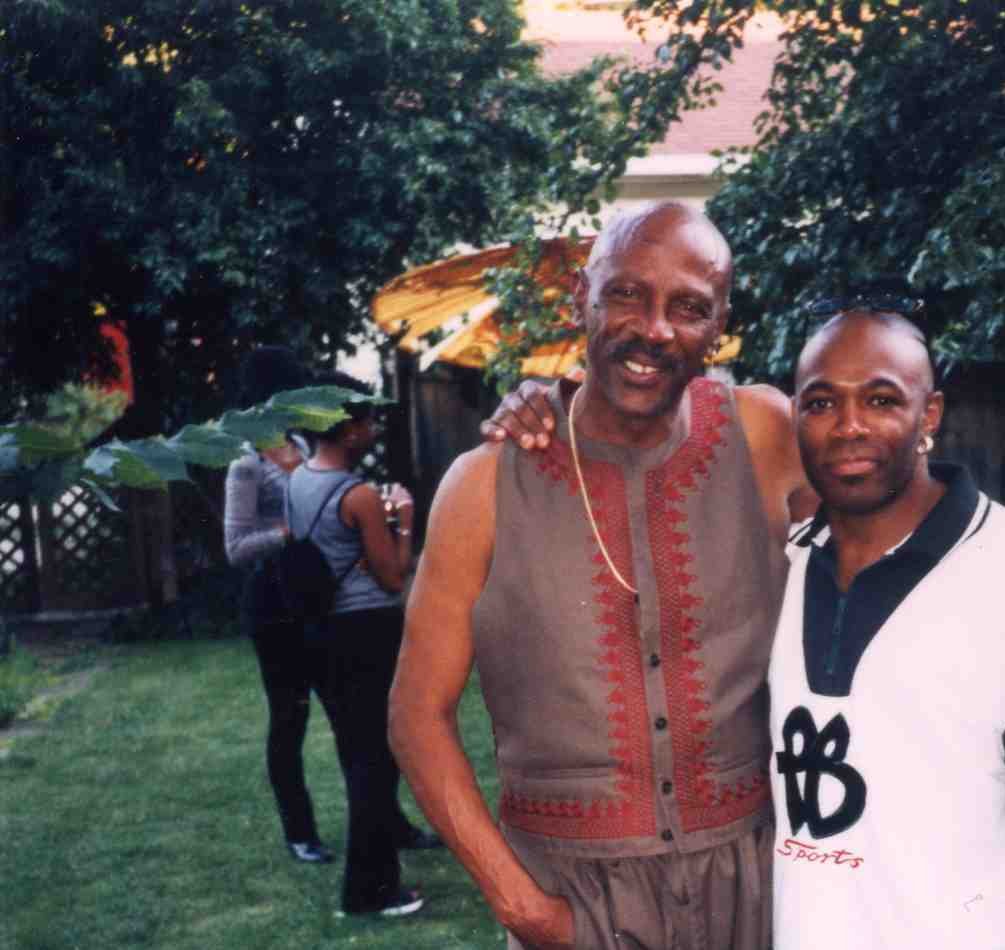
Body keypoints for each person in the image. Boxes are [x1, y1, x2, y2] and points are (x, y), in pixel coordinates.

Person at [389, 202, 810, 949]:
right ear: (581, 297)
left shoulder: (766, 436)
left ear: (718, 328)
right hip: (570, 895)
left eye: (688, 308)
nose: (654, 328)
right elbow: (416, 717)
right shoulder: (483, 486)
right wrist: (523, 908)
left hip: (756, 888)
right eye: (625, 293)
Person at [769, 303, 1005, 949]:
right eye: (821, 403)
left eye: (881, 399)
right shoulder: (784, 567)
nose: (849, 426)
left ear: (929, 415)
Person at [287, 370, 439, 919]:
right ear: (349, 430)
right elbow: (394, 577)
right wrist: (405, 519)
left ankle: (375, 874)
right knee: (375, 761)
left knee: (360, 757)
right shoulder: (357, 496)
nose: (375, 429)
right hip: (367, 632)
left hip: (320, 634)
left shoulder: (298, 481)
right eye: (369, 421)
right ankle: (369, 890)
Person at [223, 345, 333, 864]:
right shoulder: (245, 464)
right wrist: (288, 533)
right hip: (272, 607)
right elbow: (235, 546)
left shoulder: (302, 446)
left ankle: (390, 821)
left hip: (314, 598)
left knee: (353, 714)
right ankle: (300, 832)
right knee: (290, 719)